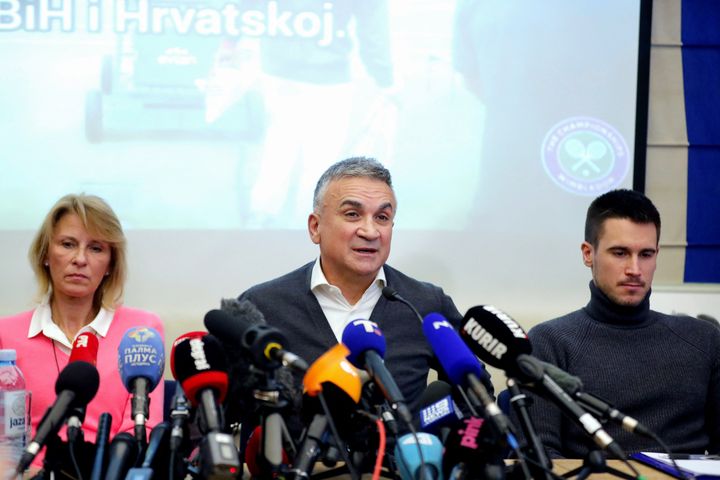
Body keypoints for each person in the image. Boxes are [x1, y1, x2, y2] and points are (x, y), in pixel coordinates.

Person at [236, 157, 485, 415]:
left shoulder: (425, 304)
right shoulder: (261, 306)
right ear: (315, 227)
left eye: (382, 217)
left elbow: (478, 397)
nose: (370, 231)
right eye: (353, 214)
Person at [526, 189, 720, 457]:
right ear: (587, 254)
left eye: (646, 254)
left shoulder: (704, 340)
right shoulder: (550, 342)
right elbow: (540, 457)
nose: (635, 270)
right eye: (620, 253)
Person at [0, 194, 164, 468]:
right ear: (45, 255)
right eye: (68, 244)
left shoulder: (141, 332)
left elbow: (142, 431)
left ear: (111, 263)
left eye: (96, 248)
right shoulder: (6, 334)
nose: (80, 259)